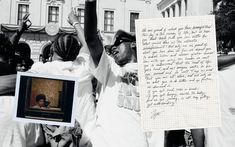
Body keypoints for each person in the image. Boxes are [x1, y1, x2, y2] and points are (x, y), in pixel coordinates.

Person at [80, 0, 164, 147]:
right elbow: (91, 39)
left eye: (118, 42)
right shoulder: (110, 68)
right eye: (111, 47)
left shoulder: (154, 75)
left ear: (133, 43)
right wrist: (90, 2)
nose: (113, 48)